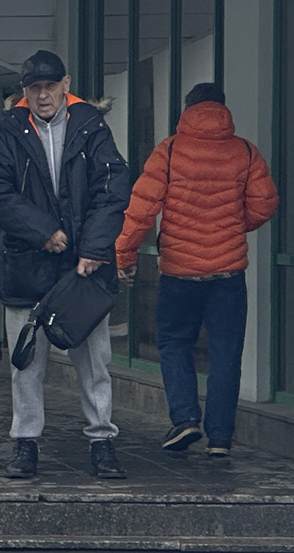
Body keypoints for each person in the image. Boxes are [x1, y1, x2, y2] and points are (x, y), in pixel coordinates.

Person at [0, 50, 131, 480]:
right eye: (34, 88)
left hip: (85, 270)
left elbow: (112, 189)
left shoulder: (91, 126)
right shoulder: (9, 129)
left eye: (49, 85)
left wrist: (94, 249)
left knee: (95, 361)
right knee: (26, 363)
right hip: (28, 265)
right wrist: (42, 230)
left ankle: (102, 441)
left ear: (65, 84)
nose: (43, 95)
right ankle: (25, 444)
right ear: (24, 92)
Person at [115, 82, 278, 457]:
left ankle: (186, 419)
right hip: (228, 275)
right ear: (223, 109)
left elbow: (140, 209)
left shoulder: (169, 151)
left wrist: (126, 257)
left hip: (179, 273)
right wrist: (233, 227)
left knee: (173, 344)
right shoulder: (245, 152)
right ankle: (220, 440)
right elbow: (264, 204)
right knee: (225, 354)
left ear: (187, 109)